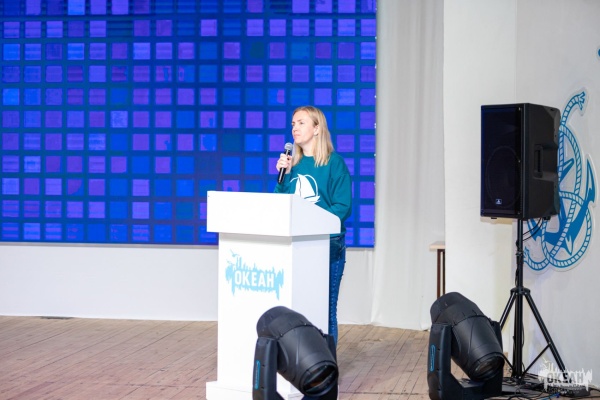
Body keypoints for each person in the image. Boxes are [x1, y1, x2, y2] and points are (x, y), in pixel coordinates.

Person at [274, 105, 352, 344]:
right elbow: (281, 205)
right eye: (293, 124)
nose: (294, 128)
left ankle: (327, 362)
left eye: (301, 123)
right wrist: (283, 176)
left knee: (326, 308)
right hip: (298, 245)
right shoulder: (292, 164)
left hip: (328, 245)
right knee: (298, 306)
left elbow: (342, 207)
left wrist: (312, 223)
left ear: (317, 128)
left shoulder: (334, 163)